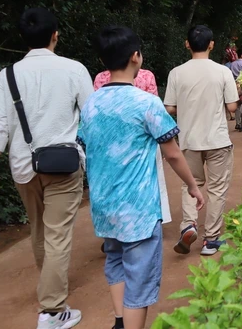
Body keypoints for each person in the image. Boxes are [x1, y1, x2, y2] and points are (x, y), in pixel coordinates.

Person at [79, 26, 205, 329]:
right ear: (136, 57)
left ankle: (120, 321)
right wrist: (192, 186)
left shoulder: (91, 103)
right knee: (141, 274)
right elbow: (173, 153)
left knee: (115, 260)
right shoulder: (146, 103)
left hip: (104, 205)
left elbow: (85, 146)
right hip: (138, 208)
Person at [0, 8, 92, 329]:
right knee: (57, 234)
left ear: (23, 38)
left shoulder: (7, 76)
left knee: (39, 229)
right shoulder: (73, 69)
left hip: (22, 166)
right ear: (55, 35)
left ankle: (50, 290)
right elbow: (92, 115)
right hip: (64, 164)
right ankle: (53, 311)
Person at [164, 25, 238, 257]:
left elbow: (169, 107)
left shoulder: (176, 72)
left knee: (190, 184)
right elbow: (232, 106)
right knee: (217, 188)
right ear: (212, 44)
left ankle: (188, 225)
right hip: (217, 139)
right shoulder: (223, 72)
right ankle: (211, 240)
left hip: (188, 140)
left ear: (187, 44)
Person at [94, 67, 171, 255]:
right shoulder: (146, 76)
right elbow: (156, 113)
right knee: (148, 182)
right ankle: (149, 223)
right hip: (143, 141)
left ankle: (113, 231)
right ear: (135, 56)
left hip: (109, 147)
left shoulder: (100, 78)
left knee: (112, 184)